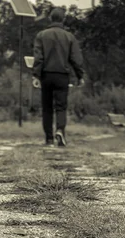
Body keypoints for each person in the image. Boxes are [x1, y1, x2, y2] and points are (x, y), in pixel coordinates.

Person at [32, 8, 85, 147]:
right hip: (62, 75)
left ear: (50, 19)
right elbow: (75, 59)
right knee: (61, 106)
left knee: (47, 107)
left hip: (46, 75)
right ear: (63, 19)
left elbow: (38, 57)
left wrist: (36, 75)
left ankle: (49, 139)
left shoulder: (41, 35)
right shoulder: (69, 37)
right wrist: (80, 75)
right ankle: (60, 130)